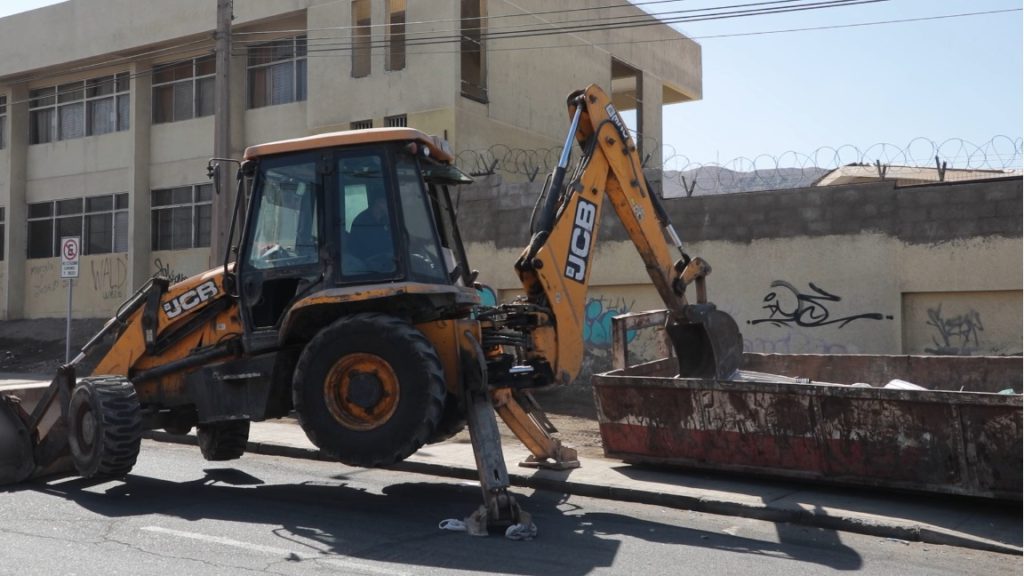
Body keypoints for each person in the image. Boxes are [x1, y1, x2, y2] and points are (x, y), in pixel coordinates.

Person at [348, 192, 394, 269]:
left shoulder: (385, 219)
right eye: (385, 202)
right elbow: (371, 245)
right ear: (378, 202)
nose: (388, 205)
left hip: (384, 260)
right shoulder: (362, 221)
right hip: (363, 264)